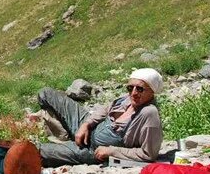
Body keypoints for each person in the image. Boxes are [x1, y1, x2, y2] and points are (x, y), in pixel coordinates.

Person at [35, 68, 164, 167]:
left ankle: (66, 147)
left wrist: (111, 151)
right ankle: (64, 137)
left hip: (92, 150)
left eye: (140, 89)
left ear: (152, 91)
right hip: (89, 128)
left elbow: (148, 154)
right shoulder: (128, 98)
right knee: (45, 94)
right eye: (130, 88)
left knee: (37, 151)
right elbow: (104, 110)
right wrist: (86, 124)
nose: (134, 93)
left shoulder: (149, 113)